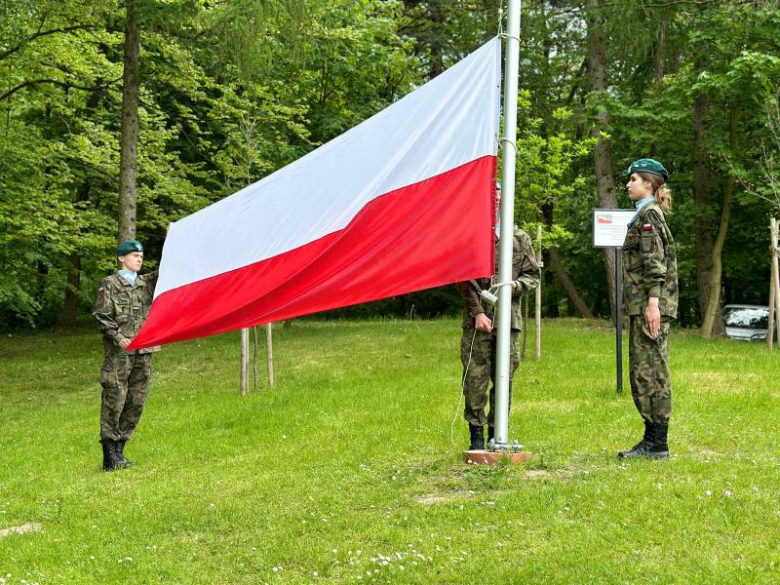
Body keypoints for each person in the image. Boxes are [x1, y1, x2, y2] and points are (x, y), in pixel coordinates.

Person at [457, 182, 540, 450]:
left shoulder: (519, 238)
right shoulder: (473, 234)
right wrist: (477, 312)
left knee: (504, 378)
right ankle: (477, 438)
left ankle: (497, 434)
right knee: (475, 379)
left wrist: (516, 285)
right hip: (478, 322)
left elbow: (532, 276)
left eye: (498, 193)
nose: (494, 198)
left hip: (509, 321)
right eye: (489, 192)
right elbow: (465, 278)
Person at [618, 158, 678, 459]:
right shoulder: (645, 213)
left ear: (649, 184)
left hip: (649, 305)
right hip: (643, 304)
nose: (628, 184)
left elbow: (655, 263)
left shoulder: (649, 215)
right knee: (645, 370)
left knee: (651, 371)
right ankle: (652, 438)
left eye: (634, 179)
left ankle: (657, 442)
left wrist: (653, 303)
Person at [93, 240, 160, 471]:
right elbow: (102, 315)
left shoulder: (146, 283)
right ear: (122, 258)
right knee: (115, 398)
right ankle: (109, 453)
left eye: (141, 255)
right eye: (134, 255)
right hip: (120, 353)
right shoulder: (109, 284)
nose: (139, 258)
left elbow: (171, 269)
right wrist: (117, 336)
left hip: (144, 349)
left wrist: (172, 237)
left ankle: (121, 450)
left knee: (137, 400)